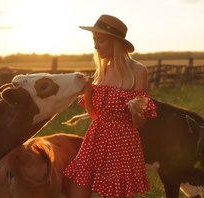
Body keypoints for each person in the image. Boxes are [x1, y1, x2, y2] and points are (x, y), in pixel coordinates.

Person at [63, 14, 157, 198]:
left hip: (122, 144)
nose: (96, 46)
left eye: (101, 40)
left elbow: (140, 124)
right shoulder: (102, 71)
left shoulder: (138, 71)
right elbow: (95, 116)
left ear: (115, 42)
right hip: (95, 139)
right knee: (77, 193)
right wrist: (89, 94)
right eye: (94, 41)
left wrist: (135, 111)